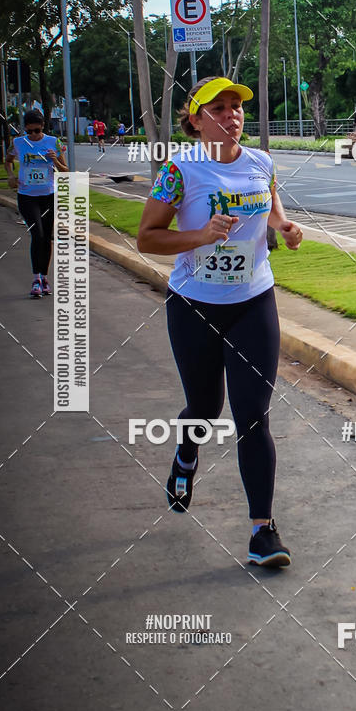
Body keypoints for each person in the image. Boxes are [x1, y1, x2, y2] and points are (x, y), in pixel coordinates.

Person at [137, 76, 303, 568]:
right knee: (206, 408)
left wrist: (287, 228)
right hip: (194, 305)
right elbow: (147, 238)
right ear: (195, 119)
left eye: (237, 107)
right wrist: (200, 236)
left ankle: (262, 532)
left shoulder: (261, 163)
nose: (232, 115)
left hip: (253, 300)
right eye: (219, 108)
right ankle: (186, 454)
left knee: (252, 413)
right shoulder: (179, 171)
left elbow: (271, 212)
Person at [5, 109, 68, 297]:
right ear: (25, 129)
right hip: (27, 196)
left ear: (43, 128)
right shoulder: (17, 143)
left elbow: (66, 170)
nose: (33, 135)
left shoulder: (53, 142)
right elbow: (7, 161)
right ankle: (35, 279)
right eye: (29, 131)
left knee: (46, 237)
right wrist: (10, 175)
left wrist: (55, 160)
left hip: (47, 195)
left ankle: (44, 277)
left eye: (37, 131)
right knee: (37, 234)